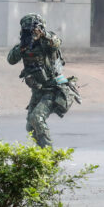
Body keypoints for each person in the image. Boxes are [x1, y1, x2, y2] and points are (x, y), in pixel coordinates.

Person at [7, 13, 81, 148]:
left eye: (33, 29)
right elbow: (11, 60)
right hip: (38, 90)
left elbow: (56, 43)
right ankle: (41, 155)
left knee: (37, 119)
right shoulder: (24, 44)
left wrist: (43, 34)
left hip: (54, 89)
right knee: (30, 126)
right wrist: (22, 46)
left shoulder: (47, 41)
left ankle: (49, 156)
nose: (32, 32)